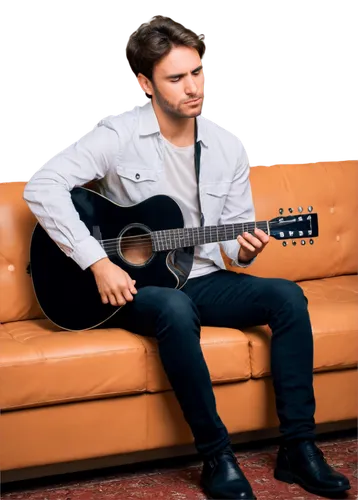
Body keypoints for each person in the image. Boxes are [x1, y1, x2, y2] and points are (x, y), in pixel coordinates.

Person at [23, 14, 351, 500]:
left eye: (198, 71)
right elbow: (42, 185)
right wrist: (98, 262)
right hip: (135, 286)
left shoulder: (226, 146)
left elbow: (232, 245)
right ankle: (217, 455)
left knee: (287, 297)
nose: (194, 86)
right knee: (175, 308)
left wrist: (242, 250)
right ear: (145, 84)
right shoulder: (117, 135)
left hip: (199, 276)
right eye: (176, 78)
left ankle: (299, 449)